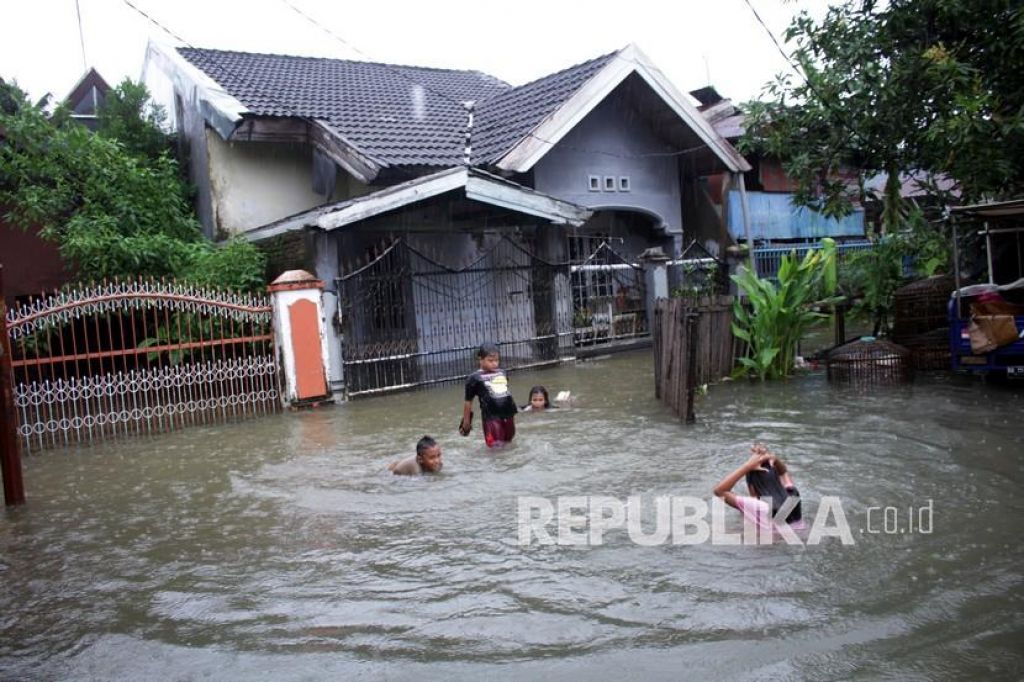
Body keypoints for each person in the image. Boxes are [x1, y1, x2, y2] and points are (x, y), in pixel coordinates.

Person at [713, 443, 804, 530]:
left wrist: (747, 466)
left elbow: (719, 491)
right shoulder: (793, 493)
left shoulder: (759, 506)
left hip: (770, 540)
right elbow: (783, 472)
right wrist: (774, 459)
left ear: (751, 487)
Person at [460, 342, 517, 447]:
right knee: (495, 446)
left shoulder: (502, 372)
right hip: (491, 416)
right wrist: (466, 421)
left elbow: (505, 393)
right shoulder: (474, 378)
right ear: (480, 359)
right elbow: (468, 401)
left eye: (497, 360)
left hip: (508, 414)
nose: (494, 364)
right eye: (490, 361)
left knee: (509, 442)